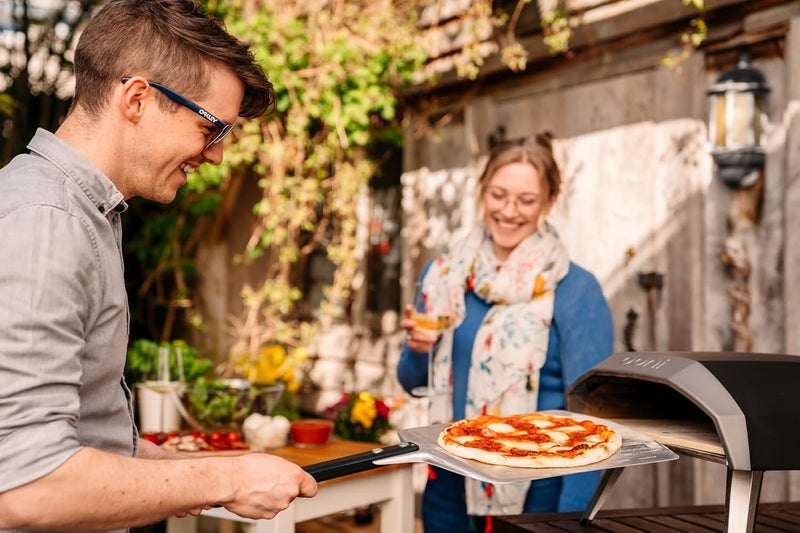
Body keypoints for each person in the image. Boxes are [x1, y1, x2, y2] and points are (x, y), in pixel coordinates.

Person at [0, 1, 317, 531]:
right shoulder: (46, 221)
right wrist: (227, 480)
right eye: (211, 127)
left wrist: (186, 470)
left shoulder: (81, 212)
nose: (216, 155)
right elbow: (26, 484)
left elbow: (82, 437)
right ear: (138, 98)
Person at [397, 133, 614, 533]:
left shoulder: (575, 290)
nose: (509, 211)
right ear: (482, 191)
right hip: (447, 482)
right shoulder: (443, 274)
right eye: (498, 194)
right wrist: (417, 350)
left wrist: (570, 517)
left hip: (536, 495)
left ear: (549, 203)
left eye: (527, 200)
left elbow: (594, 415)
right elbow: (412, 382)